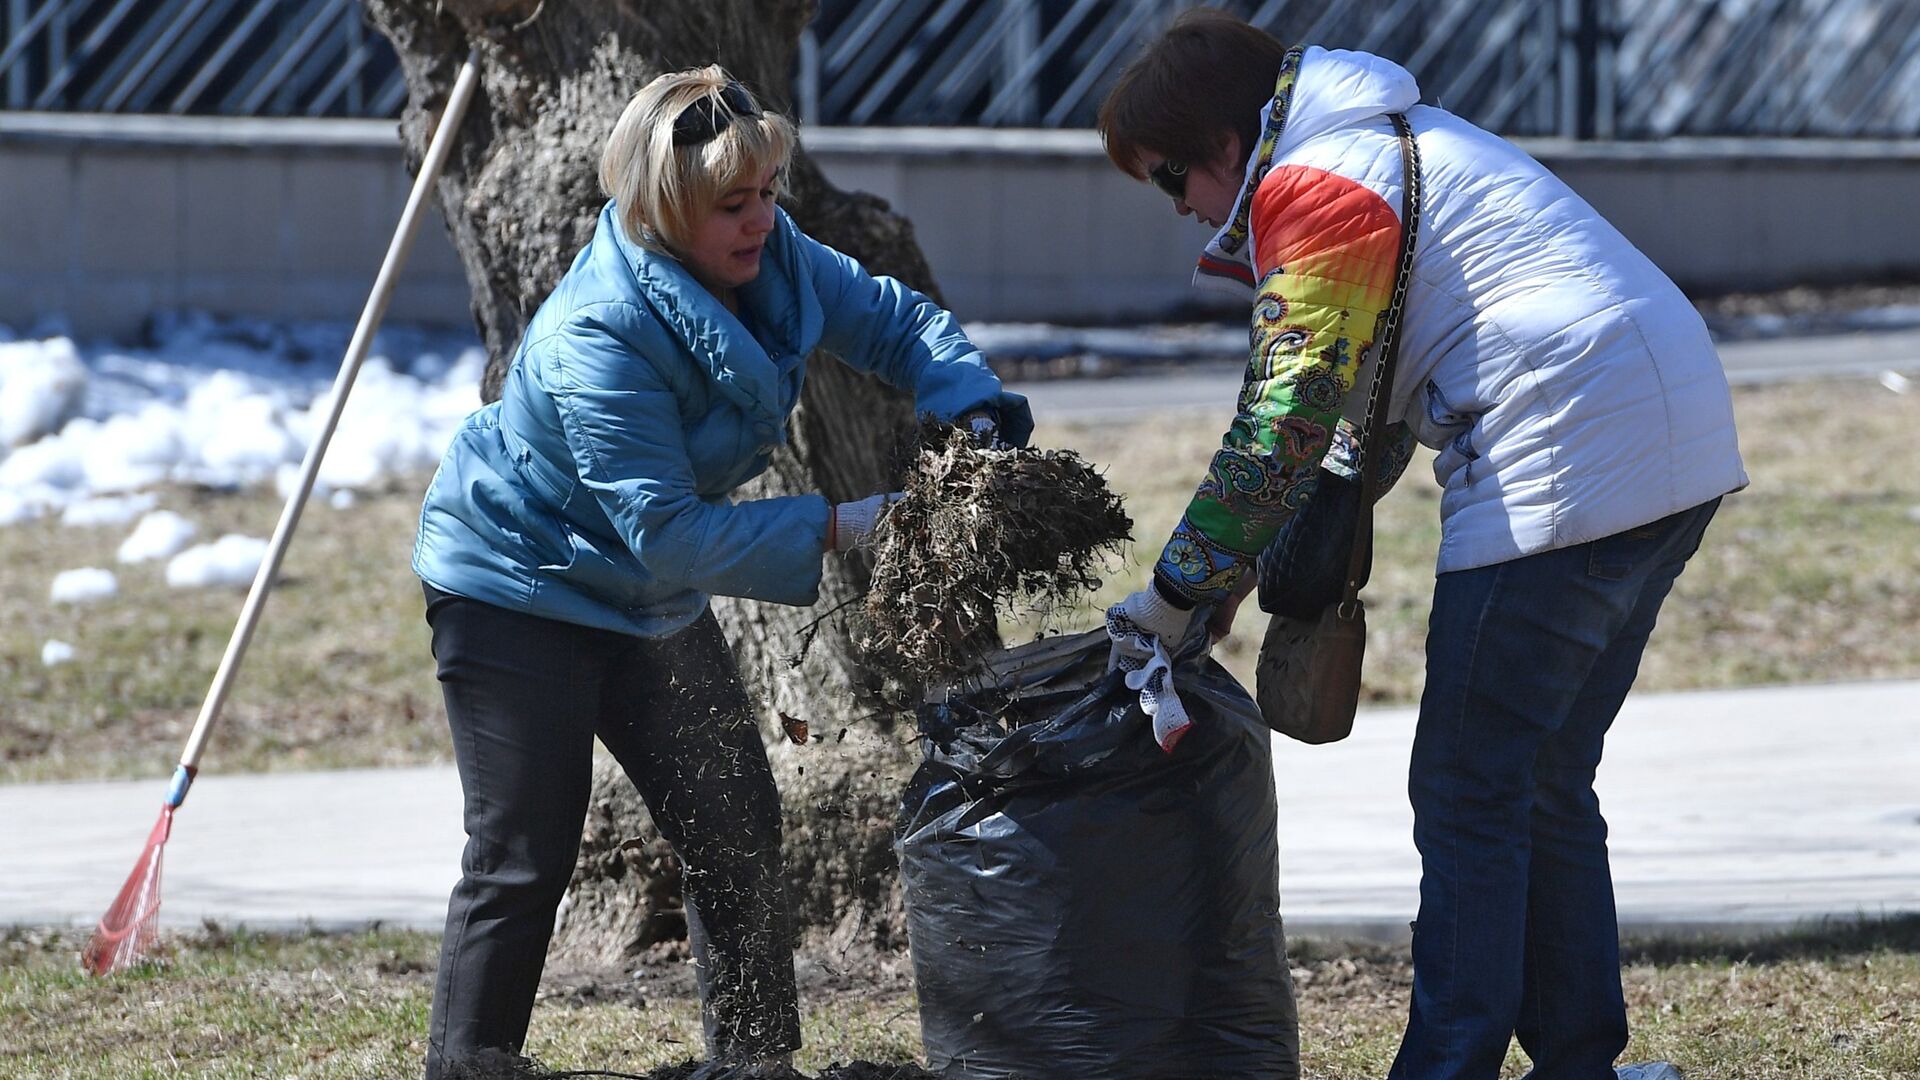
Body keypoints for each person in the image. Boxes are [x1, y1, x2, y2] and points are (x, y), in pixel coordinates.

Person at [1097, 11, 1744, 1080]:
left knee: (1468, 788)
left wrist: (1172, 594)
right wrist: (1235, 574)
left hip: (1565, 448)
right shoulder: (1392, 139)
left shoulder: (1316, 176)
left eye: (1172, 179)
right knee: (1539, 777)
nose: (1184, 212)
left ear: (1223, 143)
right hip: (1670, 433)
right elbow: (1356, 427)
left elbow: (1286, 420)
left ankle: (1448, 1065)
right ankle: (1581, 1062)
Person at [410, 66, 1030, 1078]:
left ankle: (754, 1063)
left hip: (642, 595)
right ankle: (470, 1065)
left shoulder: (776, 261)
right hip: (516, 586)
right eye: (729, 203)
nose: (759, 219)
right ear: (665, 209)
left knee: (735, 823)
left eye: (767, 192)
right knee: (525, 852)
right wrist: (848, 523)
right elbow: (668, 533)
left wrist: (969, 407)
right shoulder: (599, 332)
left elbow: (895, 321)